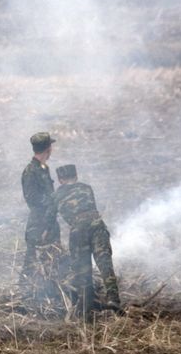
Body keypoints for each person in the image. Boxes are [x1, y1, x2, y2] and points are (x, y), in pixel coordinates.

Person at [54, 164, 121, 318]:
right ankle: (114, 299)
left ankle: (86, 308)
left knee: (83, 270)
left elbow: (49, 214)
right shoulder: (87, 188)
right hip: (97, 225)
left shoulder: (58, 194)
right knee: (105, 263)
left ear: (60, 179)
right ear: (76, 176)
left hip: (79, 231)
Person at [20, 132, 62, 307]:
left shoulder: (44, 169)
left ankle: (50, 294)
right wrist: (54, 200)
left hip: (49, 220)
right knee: (33, 259)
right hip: (39, 222)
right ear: (48, 149)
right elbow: (32, 198)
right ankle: (26, 295)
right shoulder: (30, 171)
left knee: (52, 258)